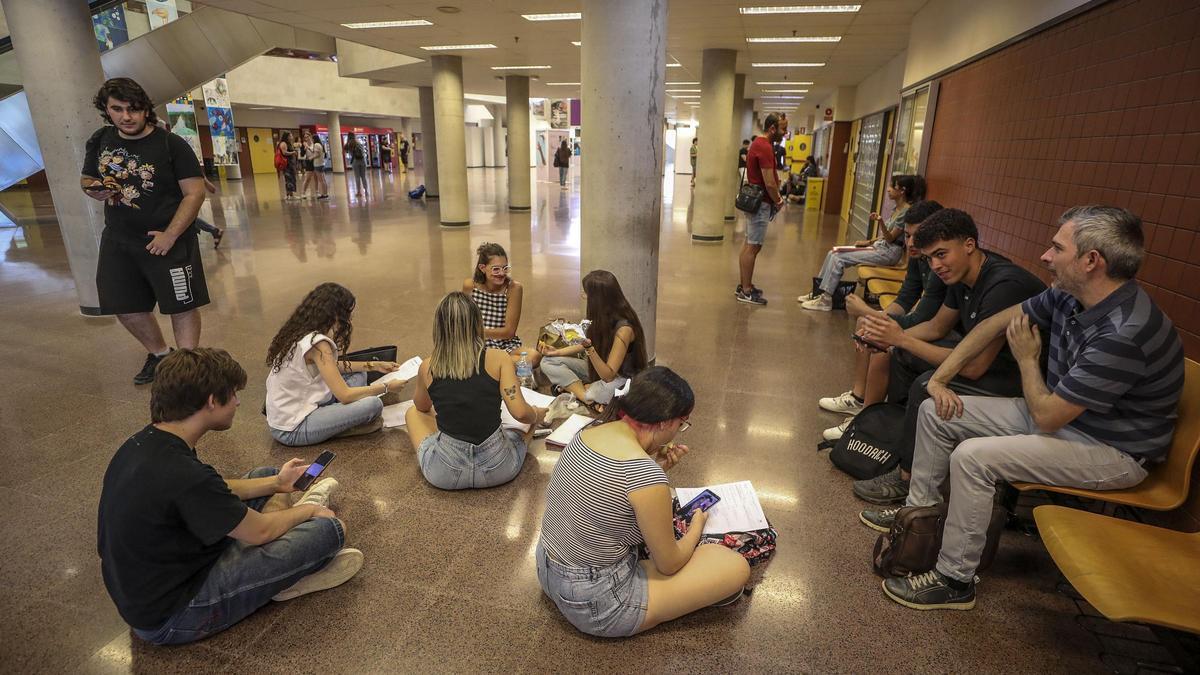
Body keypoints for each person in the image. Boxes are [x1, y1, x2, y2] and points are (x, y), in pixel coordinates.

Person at [863, 206, 1184, 611]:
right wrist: (941, 379)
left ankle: (954, 579)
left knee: (973, 458)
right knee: (934, 411)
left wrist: (1028, 360)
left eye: (1057, 247)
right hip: (1069, 419)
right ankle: (918, 524)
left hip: (1112, 449)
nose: (1045, 256)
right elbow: (991, 326)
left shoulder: (1124, 332)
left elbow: (1048, 417)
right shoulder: (1069, 295)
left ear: (1090, 262)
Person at [98, 348, 363, 645]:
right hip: (174, 615)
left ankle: (283, 540)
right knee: (330, 530)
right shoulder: (182, 473)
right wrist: (310, 511)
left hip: (163, 580)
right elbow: (259, 531)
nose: (237, 401)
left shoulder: (146, 442)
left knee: (265, 473)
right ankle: (286, 570)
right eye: (233, 394)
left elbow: (213, 490)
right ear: (212, 401)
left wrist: (277, 483)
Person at [851, 208, 1047, 505]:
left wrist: (900, 337)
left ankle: (907, 479)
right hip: (986, 363)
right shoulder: (961, 276)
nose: (936, 265)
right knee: (903, 356)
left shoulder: (1004, 285)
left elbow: (973, 367)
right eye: (930, 258)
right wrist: (886, 340)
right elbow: (936, 326)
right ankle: (902, 445)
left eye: (942, 254)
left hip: (1024, 379)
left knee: (923, 386)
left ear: (969, 245)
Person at [536, 366, 750, 637]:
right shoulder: (645, 476)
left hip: (548, 569)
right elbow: (669, 563)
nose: (679, 431)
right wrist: (697, 523)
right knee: (734, 566)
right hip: (597, 602)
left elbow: (613, 494)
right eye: (682, 423)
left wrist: (655, 468)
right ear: (664, 422)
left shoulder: (587, 433)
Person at [81, 77, 209, 385]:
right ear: (106, 109)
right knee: (123, 305)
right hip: (119, 238)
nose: (127, 116)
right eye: (118, 109)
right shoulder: (101, 139)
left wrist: (171, 235)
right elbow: (87, 179)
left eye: (134, 109)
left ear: (146, 110)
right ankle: (160, 355)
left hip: (169, 239)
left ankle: (187, 367)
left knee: (182, 304)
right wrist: (95, 191)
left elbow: (195, 192)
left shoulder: (170, 144)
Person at [818, 200, 946, 441]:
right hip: (928, 327)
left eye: (916, 236)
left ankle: (867, 419)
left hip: (941, 335)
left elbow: (925, 318)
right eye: (907, 236)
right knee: (867, 326)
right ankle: (857, 398)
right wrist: (875, 318)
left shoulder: (940, 266)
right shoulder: (920, 259)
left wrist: (869, 312)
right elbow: (905, 298)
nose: (909, 243)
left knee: (881, 344)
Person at [404, 292, 546, 490]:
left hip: (444, 474)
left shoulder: (429, 366)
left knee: (412, 413)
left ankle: (443, 442)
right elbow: (521, 412)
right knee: (525, 427)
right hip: (499, 469)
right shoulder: (499, 358)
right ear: (477, 323)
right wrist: (537, 415)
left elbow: (421, 406)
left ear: (439, 327)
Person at [265, 283, 400, 447]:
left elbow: (332, 366)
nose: (349, 319)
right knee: (373, 405)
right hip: (293, 427)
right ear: (335, 314)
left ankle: (338, 418)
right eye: (347, 313)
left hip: (294, 409)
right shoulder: (318, 344)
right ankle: (340, 426)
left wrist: (374, 365)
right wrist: (387, 386)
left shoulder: (299, 331)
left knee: (359, 374)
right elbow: (345, 395)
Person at [800, 174, 926, 311]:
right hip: (881, 247)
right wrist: (869, 242)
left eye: (892, 186)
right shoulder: (896, 209)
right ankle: (818, 293)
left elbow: (890, 238)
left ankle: (826, 300)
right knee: (833, 252)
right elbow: (885, 237)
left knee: (838, 258)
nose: (888, 189)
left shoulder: (906, 212)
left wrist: (880, 222)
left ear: (902, 190)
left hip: (889, 253)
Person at [539, 270, 649, 412]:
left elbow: (609, 376)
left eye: (586, 294)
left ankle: (579, 391)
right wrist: (557, 352)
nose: (584, 296)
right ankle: (586, 397)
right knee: (548, 361)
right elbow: (584, 342)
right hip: (599, 369)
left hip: (622, 380)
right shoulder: (602, 317)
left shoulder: (624, 329)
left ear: (597, 299)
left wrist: (589, 348)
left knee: (596, 392)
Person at [735, 113, 787, 306]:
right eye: (783, 128)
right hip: (761, 204)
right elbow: (769, 182)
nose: (785, 132)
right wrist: (779, 201)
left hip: (757, 202)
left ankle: (744, 285)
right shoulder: (764, 146)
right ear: (772, 128)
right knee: (753, 246)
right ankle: (746, 291)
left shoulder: (758, 144)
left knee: (749, 244)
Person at [461, 242, 525, 360]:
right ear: (482, 268)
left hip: (503, 344)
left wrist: (475, 332)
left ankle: (490, 365)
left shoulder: (514, 288)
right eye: (496, 269)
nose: (501, 273)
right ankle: (496, 366)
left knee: (533, 356)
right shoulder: (470, 285)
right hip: (475, 343)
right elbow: (464, 320)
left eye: (505, 268)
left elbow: (509, 332)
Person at [303, 133, 329, 200]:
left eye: (308, 137)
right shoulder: (319, 144)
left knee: (321, 180)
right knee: (322, 179)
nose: (308, 138)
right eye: (305, 137)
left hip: (318, 164)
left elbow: (316, 154)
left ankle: (324, 194)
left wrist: (310, 158)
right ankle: (324, 193)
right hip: (319, 164)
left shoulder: (316, 145)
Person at [278, 131, 299, 200]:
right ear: (287, 137)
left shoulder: (289, 143)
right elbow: (284, 153)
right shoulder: (283, 143)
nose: (292, 137)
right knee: (289, 179)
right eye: (290, 136)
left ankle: (290, 195)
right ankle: (289, 195)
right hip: (287, 164)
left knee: (291, 179)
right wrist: (293, 152)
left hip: (291, 164)